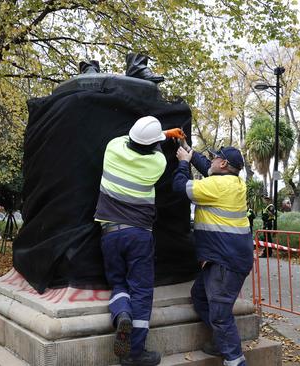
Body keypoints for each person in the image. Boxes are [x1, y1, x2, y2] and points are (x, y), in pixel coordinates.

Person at [94, 116, 185, 366]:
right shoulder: (157, 163)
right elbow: (152, 146)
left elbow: (134, 138)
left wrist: (161, 133)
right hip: (139, 235)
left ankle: (121, 312)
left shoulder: (112, 148)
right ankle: (135, 352)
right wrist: (166, 135)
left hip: (109, 232)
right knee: (142, 291)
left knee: (118, 283)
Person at [172, 140, 252, 366]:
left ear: (224, 163)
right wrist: (190, 151)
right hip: (225, 258)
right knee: (200, 296)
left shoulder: (218, 186)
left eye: (216, 157)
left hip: (226, 262)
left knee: (220, 314)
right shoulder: (234, 181)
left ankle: (235, 359)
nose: (212, 160)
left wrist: (182, 163)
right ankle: (221, 340)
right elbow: (207, 165)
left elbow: (180, 186)